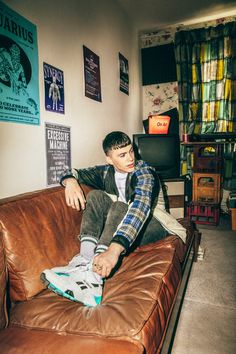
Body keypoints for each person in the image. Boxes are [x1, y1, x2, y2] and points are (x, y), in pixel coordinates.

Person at [41, 131, 187, 307]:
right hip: (122, 221)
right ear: (109, 159)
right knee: (95, 195)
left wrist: (113, 251)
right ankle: (85, 260)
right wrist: (70, 181)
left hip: (156, 222)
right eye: (122, 155)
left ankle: (94, 277)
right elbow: (72, 171)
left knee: (119, 206)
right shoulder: (104, 172)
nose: (130, 158)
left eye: (131, 151)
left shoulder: (145, 172)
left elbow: (140, 208)